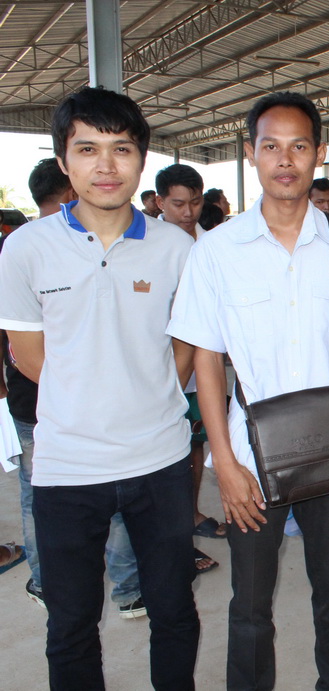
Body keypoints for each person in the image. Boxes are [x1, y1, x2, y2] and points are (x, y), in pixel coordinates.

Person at [168, 91, 329, 691]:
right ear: (251, 153)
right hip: (250, 457)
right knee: (250, 603)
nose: (285, 160)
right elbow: (208, 362)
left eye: (298, 146)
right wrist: (224, 464)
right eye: (271, 147)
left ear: (318, 153)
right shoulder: (216, 251)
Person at [0, 86, 199, 689]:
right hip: (66, 466)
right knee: (71, 625)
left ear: (142, 159)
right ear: (64, 161)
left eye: (122, 149)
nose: (106, 165)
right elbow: (28, 355)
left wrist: (148, 395)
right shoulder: (26, 248)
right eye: (87, 149)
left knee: (174, 611)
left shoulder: (176, 247)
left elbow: (185, 346)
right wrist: (89, 398)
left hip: (160, 460)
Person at [3, 157, 147, 613]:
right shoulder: (27, 248)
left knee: (35, 498)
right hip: (51, 405)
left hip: (28, 400)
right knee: (107, 500)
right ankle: (127, 590)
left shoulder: (19, 246)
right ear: (70, 187)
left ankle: (46, 583)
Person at [155, 163, 227, 567]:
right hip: (159, 370)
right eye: (178, 204)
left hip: (202, 372)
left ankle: (191, 513)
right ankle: (171, 540)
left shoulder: (212, 244)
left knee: (195, 444)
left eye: (195, 203)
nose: (187, 212)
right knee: (164, 456)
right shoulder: (147, 246)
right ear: (159, 202)